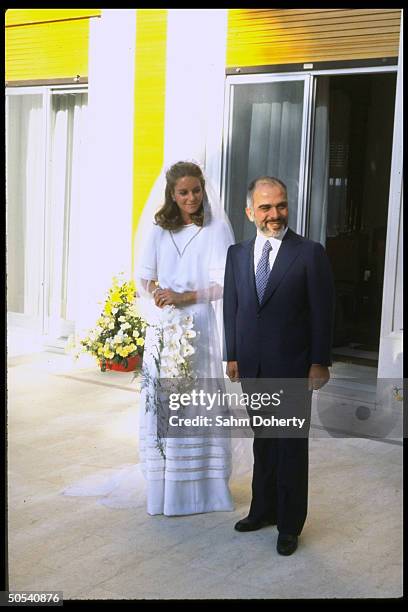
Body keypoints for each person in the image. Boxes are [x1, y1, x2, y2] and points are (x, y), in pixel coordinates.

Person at [223, 176, 334, 555]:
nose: (275, 214)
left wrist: (319, 362)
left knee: (289, 447)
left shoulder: (309, 252)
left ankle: (289, 524)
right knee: (264, 443)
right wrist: (232, 353)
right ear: (250, 210)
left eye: (281, 205)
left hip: (292, 367)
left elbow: (323, 312)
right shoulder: (237, 253)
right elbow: (232, 308)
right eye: (266, 207)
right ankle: (262, 510)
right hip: (252, 366)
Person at [134, 161, 236, 516]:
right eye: (183, 192)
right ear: (172, 195)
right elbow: (144, 278)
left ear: (203, 190)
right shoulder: (159, 230)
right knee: (165, 401)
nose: (191, 197)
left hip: (199, 325)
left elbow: (225, 284)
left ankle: (203, 489)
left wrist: (185, 297)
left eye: (196, 190)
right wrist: (159, 291)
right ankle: (166, 488)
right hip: (164, 326)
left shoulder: (216, 229)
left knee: (197, 401)